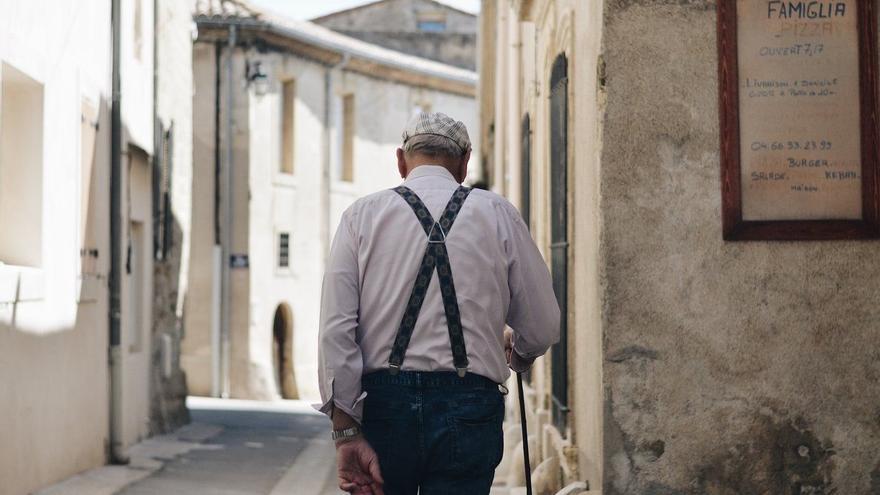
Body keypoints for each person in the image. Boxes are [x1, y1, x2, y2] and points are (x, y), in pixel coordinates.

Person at [315, 112, 560, 495]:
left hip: (385, 408)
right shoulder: (498, 214)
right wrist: (520, 355)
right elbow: (542, 325)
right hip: (470, 408)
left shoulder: (361, 217)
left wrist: (345, 430)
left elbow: (336, 329)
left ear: (401, 161)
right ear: (464, 162)